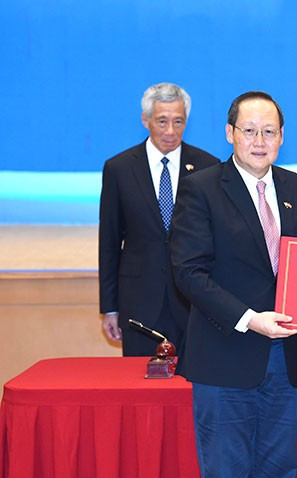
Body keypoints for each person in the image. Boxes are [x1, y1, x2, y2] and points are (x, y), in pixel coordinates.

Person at [170, 91, 297, 478]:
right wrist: (250, 318)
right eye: (250, 130)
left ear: (281, 137)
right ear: (229, 134)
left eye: (269, 132)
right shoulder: (201, 188)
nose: (260, 140)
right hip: (225, 359)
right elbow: (189, 273)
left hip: (286, 363)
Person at [99, 82, 219, 356]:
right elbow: (109, 242)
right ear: (145, 120)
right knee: (140, 389)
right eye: (162, 121)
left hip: (194, 301)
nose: (170, 131)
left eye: (178, 122)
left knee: (195, 388)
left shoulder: (208, 167)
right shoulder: (119, 168)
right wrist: (110, 307)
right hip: (139, 300)